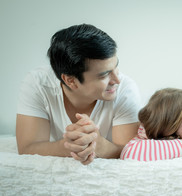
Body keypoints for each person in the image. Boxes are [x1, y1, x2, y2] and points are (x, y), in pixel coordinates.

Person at [16, 24, 142, 165]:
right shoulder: (38, 84)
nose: (116, 80)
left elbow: (129, 151)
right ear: (70, 81)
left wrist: (97, 144)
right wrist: (69, 146)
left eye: (115, 66)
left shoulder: (125, 89)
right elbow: (27, 147)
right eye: (105, 74)